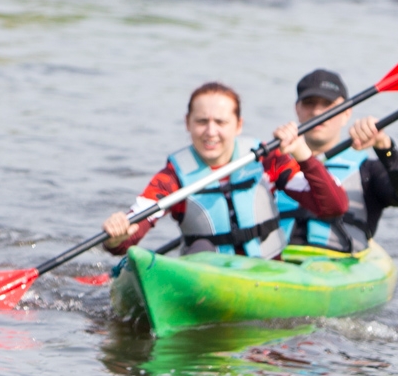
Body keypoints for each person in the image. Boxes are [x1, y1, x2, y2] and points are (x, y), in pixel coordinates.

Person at [101, 81, 347, 258]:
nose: (211, 132)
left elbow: (333, 206)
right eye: (201, 121)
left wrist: (302, 154)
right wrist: (118, 236)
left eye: (220, 122)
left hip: (267, 273)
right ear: (187, 123)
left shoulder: (266, 160)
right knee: (201, 249)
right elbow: (126, 240)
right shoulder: (172, 178)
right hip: (208, 277)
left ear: (238, 125)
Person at [275, 68, 398, 252]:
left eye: (327, 104)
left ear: (346, 113)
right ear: (297, 110)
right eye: (309, 103)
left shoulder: (367, 171)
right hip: (277, 262)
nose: (317, 111)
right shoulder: (273, 167)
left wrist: (385, 147)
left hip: (340, 262)